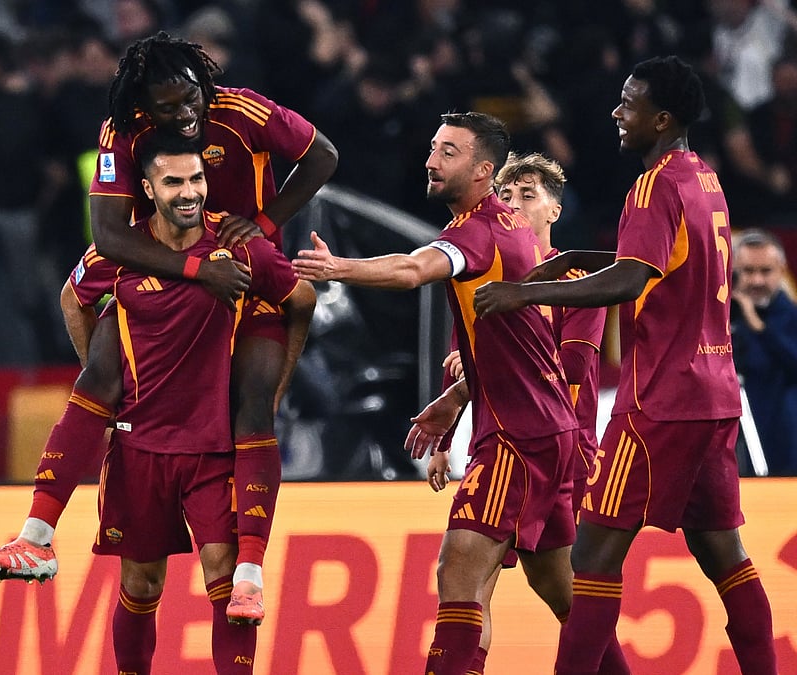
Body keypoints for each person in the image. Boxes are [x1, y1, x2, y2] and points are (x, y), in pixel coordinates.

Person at [0, 31, 337, 625]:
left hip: (243, 270)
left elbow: (322, 156)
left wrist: (264, 223)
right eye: (168, 107)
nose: (185, 114)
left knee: (253, 406)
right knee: (100, 378)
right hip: (158, 270)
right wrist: (191, 275)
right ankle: (36, 538)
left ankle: (249, 573)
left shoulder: (243, 110)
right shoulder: (122, 132)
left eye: (191, 98)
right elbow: (106, 239)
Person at [474, 55, 778, 675]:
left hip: (659, 404)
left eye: (629, 103)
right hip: (716, 396)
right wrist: (582, 259)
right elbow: (670, 263)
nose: (617, 112)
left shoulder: (653, 185)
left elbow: (631, 280)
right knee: (725, 555)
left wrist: (524, 293)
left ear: (661, 119)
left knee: (591, 558)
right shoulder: (704, 179)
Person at [293, 111, 583, 675]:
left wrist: (336, 267)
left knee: (459, 576)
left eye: (449, 152)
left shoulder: (476, 232)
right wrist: (455, 398)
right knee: (562, 593)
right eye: (432, 148)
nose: (431, 161)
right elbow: (514, 345)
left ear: (483, 171)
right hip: (544, 428)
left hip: (519, 437)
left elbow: (410, 270)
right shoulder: (510, 228)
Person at [70, 136, 313, 671]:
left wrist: (279, 385)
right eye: (174, 182)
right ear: (148, 189)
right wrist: (110, 385)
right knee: (140, 582)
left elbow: (301, 299)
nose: (189, 192)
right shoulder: (122, 249)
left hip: (212, 443)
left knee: (226, 579)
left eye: (196, 179)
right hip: (142, 443)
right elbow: (74, 299)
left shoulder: (235, 244)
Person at [413, 152, 614, 674]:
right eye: (506, 195)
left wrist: (480, 369)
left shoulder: (575, 279)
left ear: (555, 210)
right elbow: (462, 357)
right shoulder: (488, 272)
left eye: (529, 194)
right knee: (489, 584)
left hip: (560, 451)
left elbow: (571, 367)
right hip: (501, 443)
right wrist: (445, 443)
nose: (515, 204)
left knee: (481, 577)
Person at [731, 229, 797, 475]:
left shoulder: (791, 316)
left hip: (785, 440)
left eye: (765, 271)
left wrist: (759, 327)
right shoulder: (723, 317)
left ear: (781, 269)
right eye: (748, 271)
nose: (757, 280)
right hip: (738, 440)